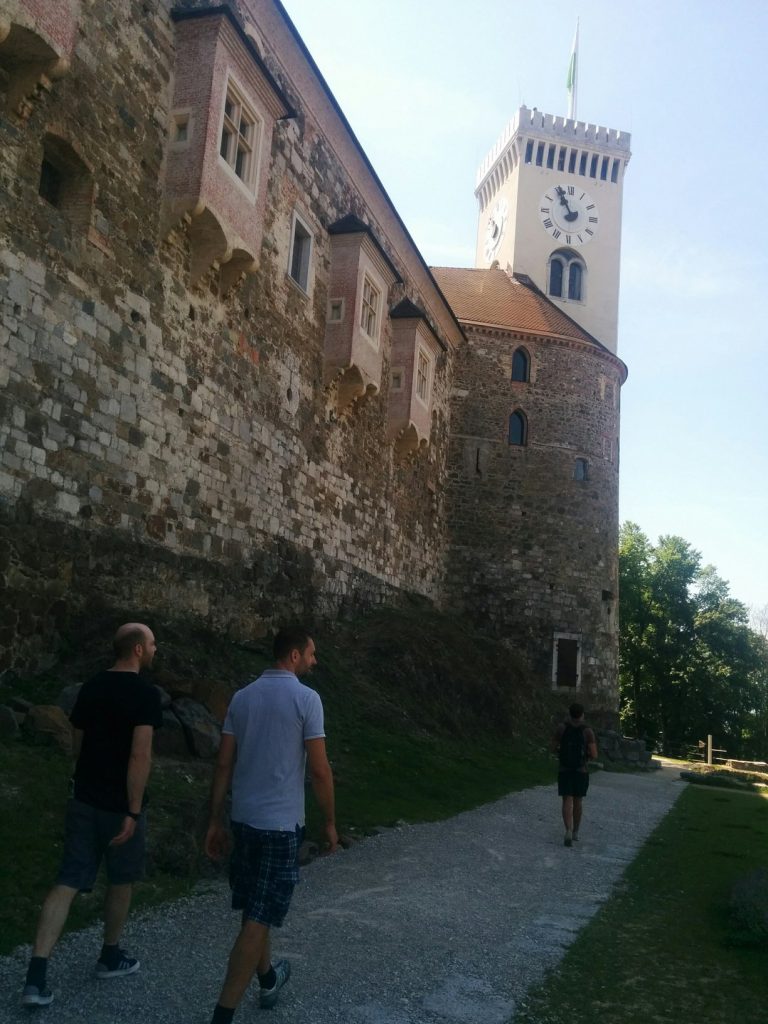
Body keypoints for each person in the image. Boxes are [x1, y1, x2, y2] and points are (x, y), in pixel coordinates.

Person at [21, 622, 162, 1008]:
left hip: (84, 797)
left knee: (68, 879)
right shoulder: (145, 694)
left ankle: (36, 974)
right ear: (137, 649)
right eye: (152, 644)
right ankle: (109, 955)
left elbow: (77, 744)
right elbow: (140, 755)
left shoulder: (91, 687)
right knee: (122, 879)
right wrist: (133, 809)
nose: (155, 649)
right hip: (120, 804)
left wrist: (83, 780)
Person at [205, 626, 338, 1022]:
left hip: (243, 820)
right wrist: (330, 822)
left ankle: (267, 979)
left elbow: (224, 763)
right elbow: (319, 770)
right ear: (294, 655)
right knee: (258, 918)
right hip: (280, 827)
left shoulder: (242, 697)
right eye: (311, 654)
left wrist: (215, 819)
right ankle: (222, 1015)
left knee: (254, 908)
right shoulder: (306, 699)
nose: (314, 661)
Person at [552, 702, 597, 847]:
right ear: (582, 714)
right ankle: (576, 831)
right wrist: (587, 756)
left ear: (569, 714)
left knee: (567, 799)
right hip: (581, 770)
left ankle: (568, 830)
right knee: (578, 801)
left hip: (564, 769)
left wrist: (561, 752)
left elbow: (552, 747)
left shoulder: (562, 728)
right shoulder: (587, 731)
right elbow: (594, 754)